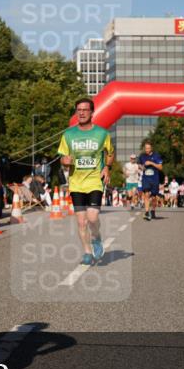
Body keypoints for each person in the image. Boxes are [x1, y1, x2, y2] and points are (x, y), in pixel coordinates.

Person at [58, 97, 114, 265]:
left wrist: (106, 168)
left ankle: (96, 238)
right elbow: (62, 156)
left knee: (92, 217)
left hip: (94, 181)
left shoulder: (102, 134)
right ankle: (87, 252)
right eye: (79, 110)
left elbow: (110, 154)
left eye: (85, 110)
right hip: (76, 183)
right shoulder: (68, 134)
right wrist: (64, 161)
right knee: (81, 222)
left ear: (92, 112)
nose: (81, 113)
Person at [138, 141, 163, 220]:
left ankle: (153, 211)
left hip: (154, 178)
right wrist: (142, 167)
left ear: (151, 148)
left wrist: (151, 163)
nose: (147, 150)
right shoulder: (142, 156)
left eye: (148, 148)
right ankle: (146, 212)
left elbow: (160, 167)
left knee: (154, 197)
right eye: (145, 148)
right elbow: (139, 165)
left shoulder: (156, 155)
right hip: (146, 178)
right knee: (146, 194)